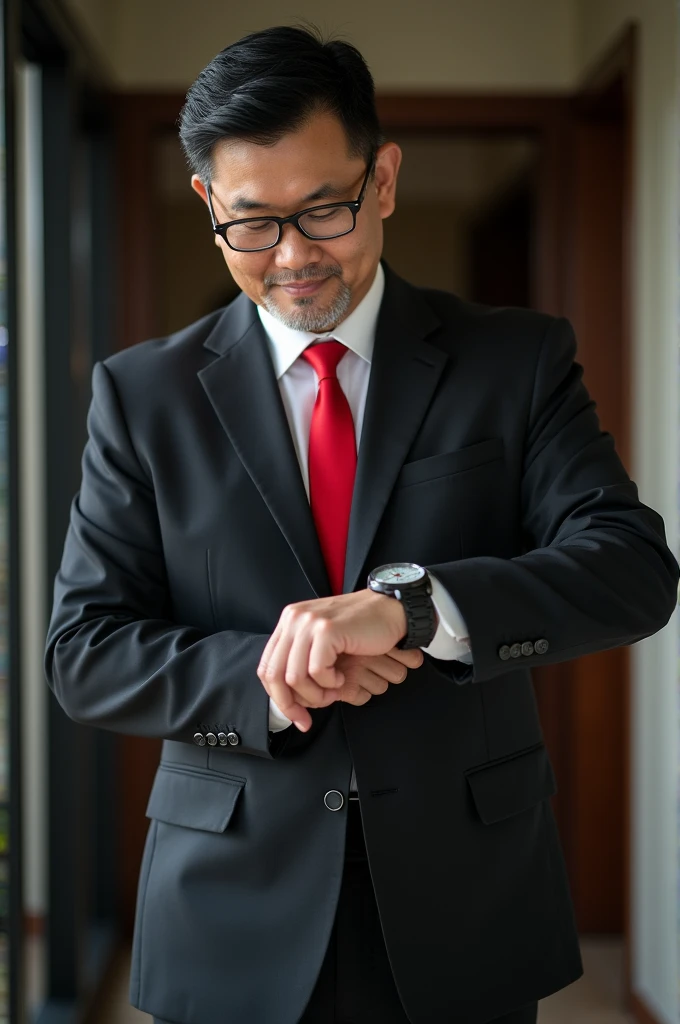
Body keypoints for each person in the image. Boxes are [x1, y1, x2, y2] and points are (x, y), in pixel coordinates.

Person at [44, 24, 679, 1024]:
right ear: (209, 204)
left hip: (462, 896)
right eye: (252, 221)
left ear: (381, 178)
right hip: (229, 901)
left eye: (325, 210)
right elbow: (84, 652)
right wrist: (274, 665)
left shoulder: (513, 360)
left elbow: (630, 568)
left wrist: (418, 611)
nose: (293, 256)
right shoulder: (142, 395)